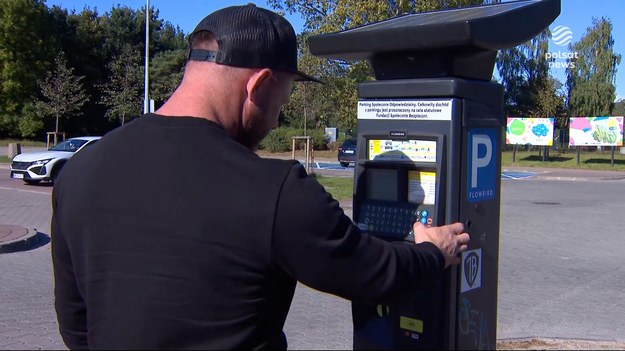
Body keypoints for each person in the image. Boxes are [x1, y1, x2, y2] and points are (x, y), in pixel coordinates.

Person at [51, 4, 470, 350]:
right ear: (260, 85)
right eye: (282, 100)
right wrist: (434, 252)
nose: (275, 120)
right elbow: (370, 272)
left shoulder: (80, 171)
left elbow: (76, 328)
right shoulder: (276, 190)